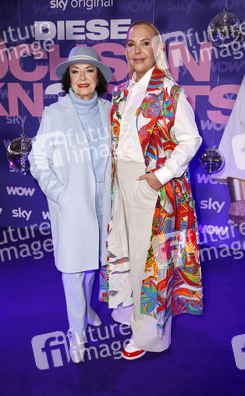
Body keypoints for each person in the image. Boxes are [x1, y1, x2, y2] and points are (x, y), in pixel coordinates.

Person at [101, 20, 203, 360]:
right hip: (122, 181)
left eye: (145, 44)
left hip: (151, 185)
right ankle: (131, 315)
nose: (137, 51)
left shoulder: (172, 92)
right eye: (131, 45)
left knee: (151, 263)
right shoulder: (122, 90)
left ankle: (148, 336)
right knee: (126, 251)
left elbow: (191, 141)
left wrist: (162, 175)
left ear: (157, 50)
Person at [29, 47, 112, 363]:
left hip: (106, 202)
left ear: (98, 77)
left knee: (93, 262)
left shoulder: (110, 111)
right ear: (68, 78)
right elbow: (38, 160)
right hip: (73, 203)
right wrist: (60, 194)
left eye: (89, 71)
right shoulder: (55, 114)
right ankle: (76, 333)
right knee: (72, 269)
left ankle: (87, 307)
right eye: (75, 71)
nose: (82, 77)